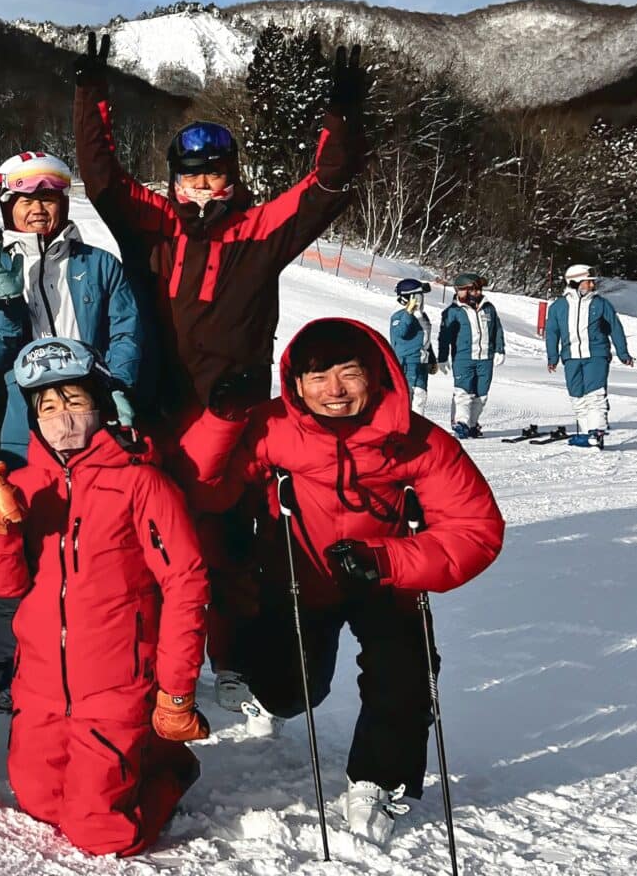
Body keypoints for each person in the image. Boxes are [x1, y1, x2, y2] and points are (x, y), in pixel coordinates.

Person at [177, 318, 504, 846]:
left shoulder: (417, 441)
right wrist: (222, 421)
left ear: (374, 375)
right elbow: (203, 488)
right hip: (298, 578)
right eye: (318, 376)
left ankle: (378, 781)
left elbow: (476, 529)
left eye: (349, 373)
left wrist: (387, 559)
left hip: (385, 577)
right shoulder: (271, 427)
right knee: (290, 691)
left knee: (406, 670)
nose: (335, 390)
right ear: (296, 383)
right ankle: (270, 698)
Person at [0, 338, 210, 856]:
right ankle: (137, 759)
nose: (62, 416)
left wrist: (176, 691)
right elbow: (4, 586)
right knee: (38, 802)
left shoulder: (141, 483)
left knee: (100, 832)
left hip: (116, 686)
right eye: (48, 406)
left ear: (100, 405)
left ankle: (168, 765)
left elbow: (186, 584)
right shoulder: (24, 485)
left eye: (74, 400)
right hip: (40, 685)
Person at [72, 32, 368, 428]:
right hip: (156, 402)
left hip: (234, 409)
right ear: (175, 178)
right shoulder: (153, 221)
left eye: (214, 173)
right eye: (190, 175)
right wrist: (90, 95)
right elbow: (102, 178)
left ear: (232, 175)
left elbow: (326, 187)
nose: (202, 184)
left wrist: (343, 116)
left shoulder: (259, 229)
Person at [0, 149, 144, 458]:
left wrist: (118, 385)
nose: (38, 210)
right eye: (26, 202)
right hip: (22, 423)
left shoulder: (99, 264)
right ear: (9, 208)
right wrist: (8, 305)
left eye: (48, 199)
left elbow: (125, 333)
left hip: (93, 411)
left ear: (63, 204)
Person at [544, 264, 633, 448]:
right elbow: (552, 332)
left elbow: (615, 328)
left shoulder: (600, 304)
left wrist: (623, 353)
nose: (592, 286)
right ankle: (586, 434)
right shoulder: (558, 307)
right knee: (577, 396)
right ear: (574, 282)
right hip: (571, 357)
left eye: (593, 282)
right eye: (588, 282)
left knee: (595, 394)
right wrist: (552, 357)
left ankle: (596, 431)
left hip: (596, 355)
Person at [436, 272, 505, 439]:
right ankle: (461, 423)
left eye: (479, 289)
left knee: (482, 394)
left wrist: (499, 349)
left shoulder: (488, 308)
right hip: (463, 358)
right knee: (463, 392)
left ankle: (472, 424)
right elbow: (444, 337)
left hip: (485, 358)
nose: (478, 293)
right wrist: (443, 357)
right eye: (474, 290)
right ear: (461, 290)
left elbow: (497, 330)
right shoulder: (452, 312)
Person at [388, 279, 438, 418]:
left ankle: (417, 427)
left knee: (420, 400)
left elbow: (425, 340)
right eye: (418, 296)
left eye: (422, 296)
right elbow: (401, 332)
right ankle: (404, 427)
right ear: (408, 298)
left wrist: (432, 358)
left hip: (421, 365)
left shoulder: (423, 317)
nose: (421, 299)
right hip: (406, 364)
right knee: (406, 401)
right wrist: (408, 313)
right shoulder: (399, 316)